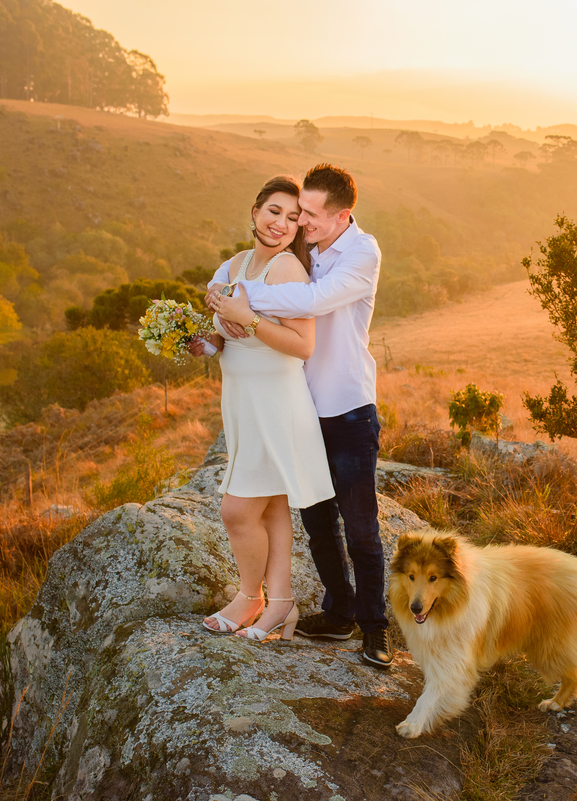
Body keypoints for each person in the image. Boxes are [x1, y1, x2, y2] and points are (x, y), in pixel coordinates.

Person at [207, 164, 392, 669]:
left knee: (360, 525)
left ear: (341, 215)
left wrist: (236, 301)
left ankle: (375, 629)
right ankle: (337, 612)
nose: (300, 222)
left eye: (308, 213)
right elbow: (255, 260)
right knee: (315, 519)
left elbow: (312, 301)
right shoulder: (305, 243)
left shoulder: (361, 252)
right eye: (294, 212)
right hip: (302, 404)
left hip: (347, 406)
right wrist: (219, 291)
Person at [192, 175, 334, 642]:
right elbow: (223, 337)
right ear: (255, 212)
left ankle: (249, 597)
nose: (282, 224)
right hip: (243, 404)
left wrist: (247, 320)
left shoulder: (287, 271)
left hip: (277, 404)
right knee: (271, 508)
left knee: (236, 511)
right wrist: (203, 342)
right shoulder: (233, 266)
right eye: (275, 211)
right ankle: (280, 604)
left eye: (294, 218)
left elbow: (304, 344)